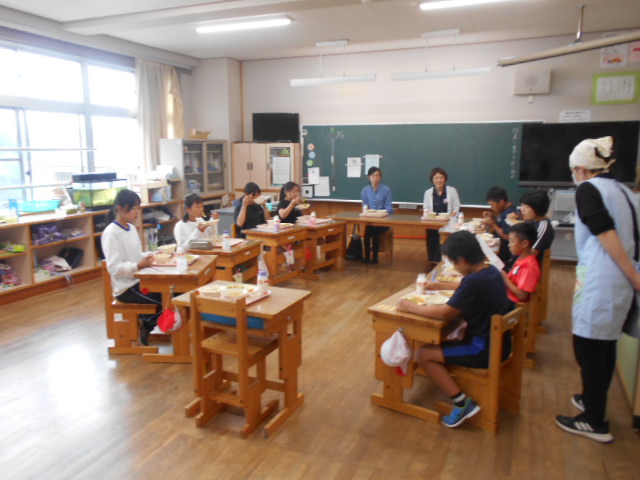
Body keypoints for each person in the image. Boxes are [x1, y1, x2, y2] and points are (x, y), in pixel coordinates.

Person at [555, 136, 640, 443]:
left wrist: (633, 275)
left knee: (588, 347)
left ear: (580, 169)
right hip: (616, 281)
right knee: (605, 343)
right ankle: (592, 399)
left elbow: (604, 231)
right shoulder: (625, 191)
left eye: (574, 170)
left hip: (604, 278)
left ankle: (594, 420)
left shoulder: (589, 189)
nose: (574, 176)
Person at [397, 231, 510, 428]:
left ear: (463, 260)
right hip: (502, 344)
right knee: (440, 339)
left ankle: (462, 402)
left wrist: (409, 307)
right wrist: (438, 285)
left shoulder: (473, 282)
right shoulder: (490, 271)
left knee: (423, 354)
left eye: (454, 264)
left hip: (483, 349)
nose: (455, 268)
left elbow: (444, 313)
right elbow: (464, 286)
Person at [101, 189, 162, 346]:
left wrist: (153, 254)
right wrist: (138, 265)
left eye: (138, 208)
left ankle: (145, 320)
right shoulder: (111, 233)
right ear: (120, 209)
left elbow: (136, 255)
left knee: (172, 292)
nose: (136, 212)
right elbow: (114, 269)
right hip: (126, 288)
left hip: (139, 281)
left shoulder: (131, 228)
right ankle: (145, 324)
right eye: (132, 208)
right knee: (166, 300)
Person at [423, 167, 461, 263]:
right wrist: (429, 215)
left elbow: (456, 207)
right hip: (433, 222)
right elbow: (426, 208)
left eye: (441, 177)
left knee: (447, 242)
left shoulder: (452, 191)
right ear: (432, 180)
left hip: (448, 222)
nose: (439, 180)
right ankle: (432, 261)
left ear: (445, 179)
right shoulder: (428, 192)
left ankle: (446, 262)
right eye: (436, 178)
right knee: (432, 240)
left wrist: (450, 218)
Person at [502, 222, 540, 309]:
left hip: (513, 305)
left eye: (512, 241)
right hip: (507, 297)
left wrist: (505, 279)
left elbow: (522, 295)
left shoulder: (528, 267)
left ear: (524, 244)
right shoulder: (521, 258)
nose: (509, 245)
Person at [361, 167, 393, 265]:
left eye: (377, 175)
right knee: (367, 232)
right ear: (369, 177)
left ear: (380, 177)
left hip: (383, 221)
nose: (375, 177)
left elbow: (389, 207)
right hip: (371, 220)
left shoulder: (386, 190)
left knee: (373, 231)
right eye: (373, 175)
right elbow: (365, 206)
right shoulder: (365, 191)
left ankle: (375, 257)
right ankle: (367, 256)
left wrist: (381, 212)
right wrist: (368, 211)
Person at [483, 186, 517, 264]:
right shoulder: (504, 210)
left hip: (504, 255)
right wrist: (493, 217)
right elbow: (501, 224)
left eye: (492, 205)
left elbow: (507, 236)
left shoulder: (511, 214)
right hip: (497, 248)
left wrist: (492, 224)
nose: (491, 208)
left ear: (501, 202)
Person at [519, 189, 555, 265]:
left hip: (527, 268)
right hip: (517, 262)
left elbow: (530, 255)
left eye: (527, 207)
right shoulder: (530, 220)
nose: (522, 210)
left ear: (538, 208)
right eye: (522, 205)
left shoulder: (544, 228)